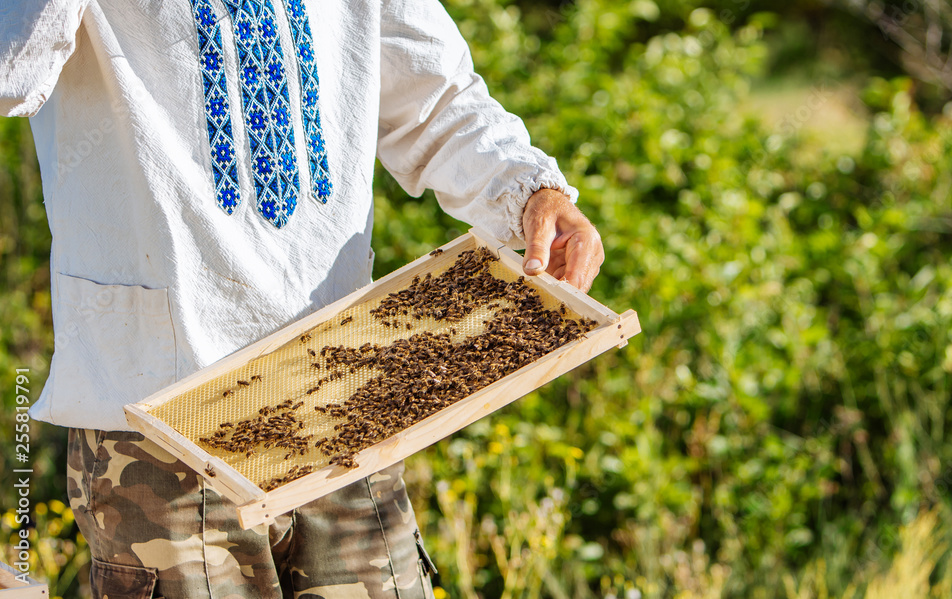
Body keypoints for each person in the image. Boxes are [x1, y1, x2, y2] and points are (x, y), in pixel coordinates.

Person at [2, 0, 603, 596]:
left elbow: (436, 100)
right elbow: (11, 75)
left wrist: (527, 192)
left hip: (343, 400)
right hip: (156, 426)